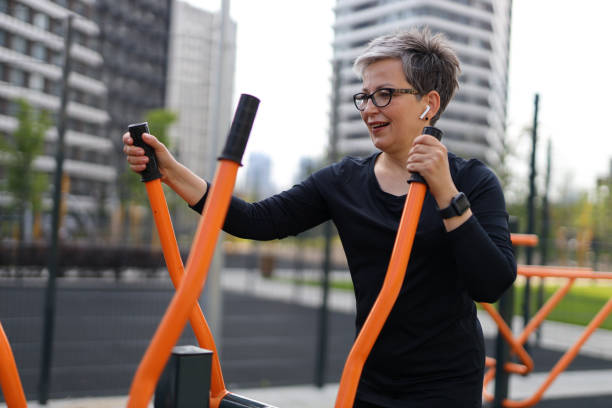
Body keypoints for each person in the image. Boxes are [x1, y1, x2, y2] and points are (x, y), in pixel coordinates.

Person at [123, 28, 516, 408]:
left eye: (384, 94)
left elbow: (492, 282)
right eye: (364, 96)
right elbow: (255, 220)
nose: (370, 109)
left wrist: (445, 192)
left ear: (428, 103)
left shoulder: (473, 181)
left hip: (445, 385)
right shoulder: (344, 180)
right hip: (369, 376)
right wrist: (170, 170)